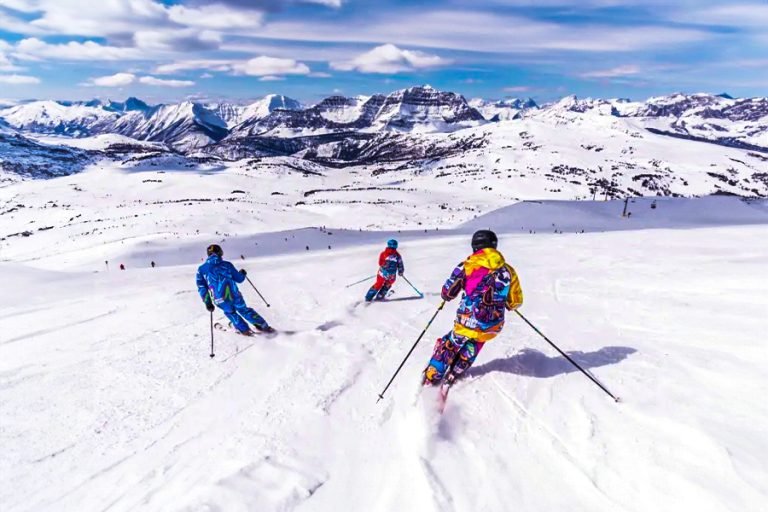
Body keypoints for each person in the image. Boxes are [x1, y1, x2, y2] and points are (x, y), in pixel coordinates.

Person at [423, 230, 523, 386]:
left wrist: (445, 297)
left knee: (452, 342)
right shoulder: (508, 270)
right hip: (492, 325)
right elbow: (515, 301)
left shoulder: (467, 265)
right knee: (475, 343)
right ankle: (455, 371)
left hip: (466, 320)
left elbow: (448, 291)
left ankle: (433, 374)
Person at [196, 244, 274, 335]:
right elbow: (239, 279)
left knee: (230, 312)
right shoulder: (227, 265)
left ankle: (244, 330)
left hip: (219, 299)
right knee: (244, 310)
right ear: (220, 253)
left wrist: (208, 302)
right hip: (235, 295)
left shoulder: (201, 269)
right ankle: (263, 326)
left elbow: (202, 287)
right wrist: (242, 274)